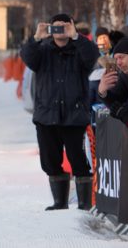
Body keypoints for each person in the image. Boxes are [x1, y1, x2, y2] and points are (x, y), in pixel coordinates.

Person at [21, 13, 101, 210]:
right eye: (56, 27)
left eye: (64, 27)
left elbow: (92, 57)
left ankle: (84, 203)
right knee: (50, 161)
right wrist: (36, 38)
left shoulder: (80, 50)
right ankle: (60, 201)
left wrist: (77, 37)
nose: (60, 31)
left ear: (71, 27)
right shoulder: (42, 50)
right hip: (47, 116)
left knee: (78, 160)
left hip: (73, 116)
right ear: (49, 29)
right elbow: (27, 58)